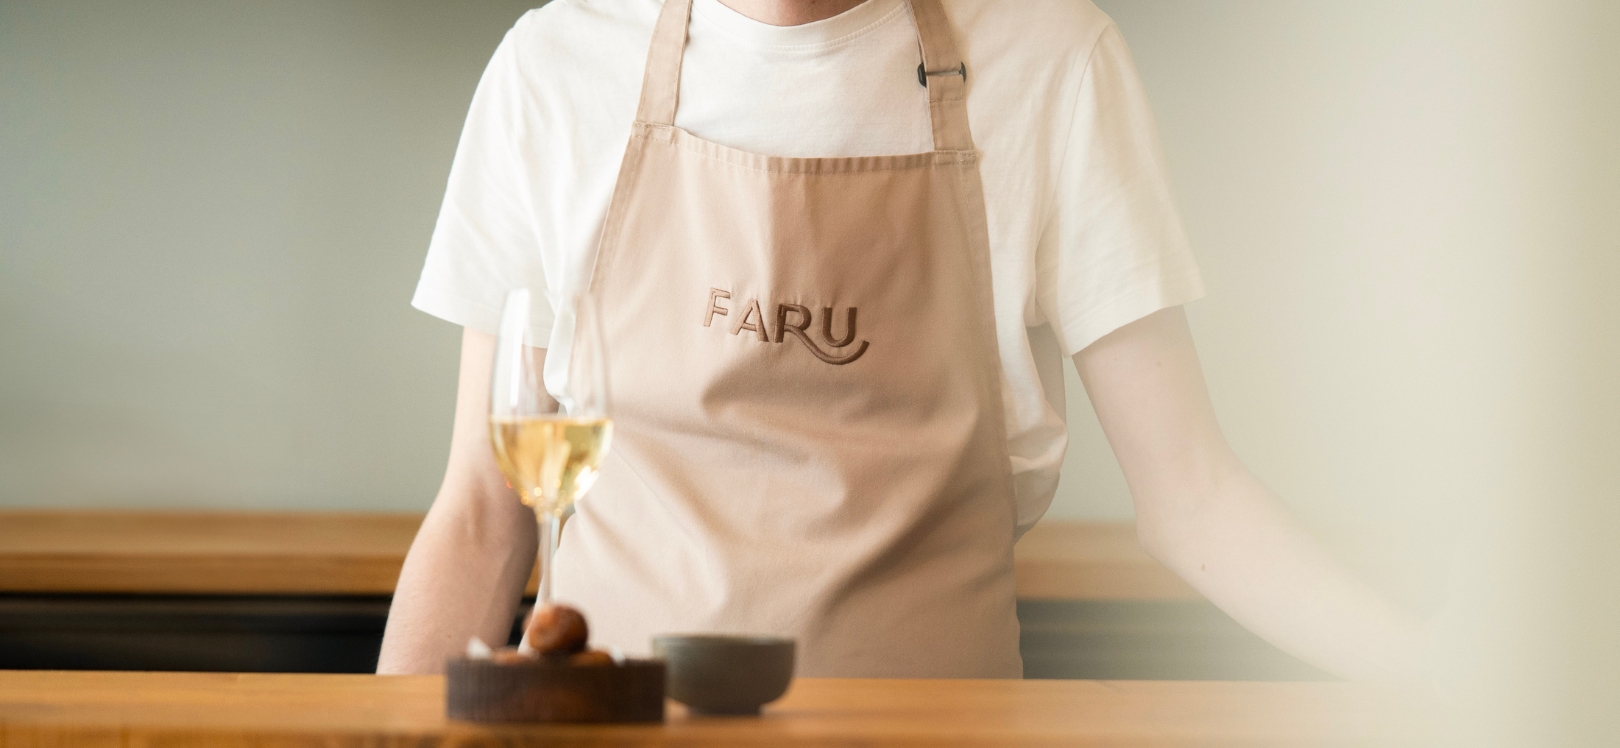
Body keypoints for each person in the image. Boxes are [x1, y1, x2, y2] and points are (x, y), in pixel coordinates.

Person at [379, 0, 1425, 679]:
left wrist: (1437, 680)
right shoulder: (554, 69)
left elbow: (1194, 492)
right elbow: (482, 513)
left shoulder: (1053, 63)